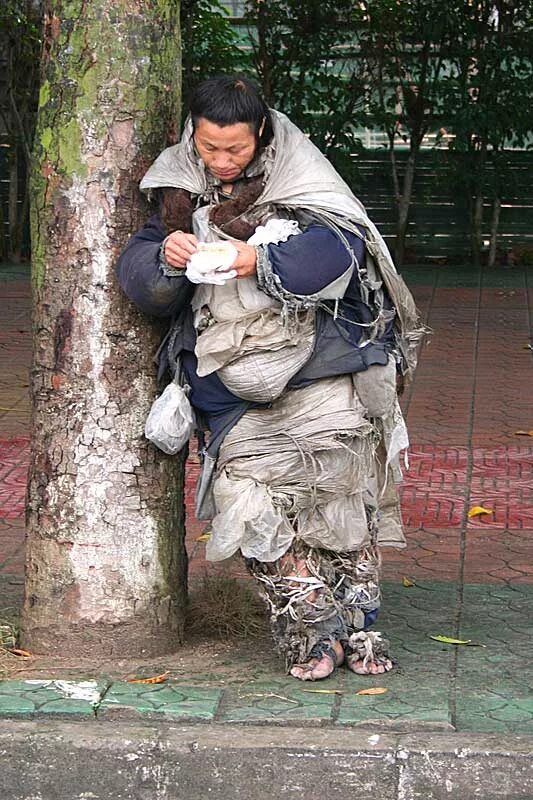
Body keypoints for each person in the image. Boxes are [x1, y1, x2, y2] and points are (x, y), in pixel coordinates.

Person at [116, 76, 422, 681]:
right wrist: (167, 255)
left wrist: (260, 259)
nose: (222, 162)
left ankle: (359, 629)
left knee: (341, 497)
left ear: (260, 133)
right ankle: (313, 627)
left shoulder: (303, 177)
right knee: (246, 501)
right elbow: (144, 285)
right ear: (193, 134)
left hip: (324, 372)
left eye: (235, 149)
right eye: (209, 148)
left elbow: (343, 250)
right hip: (230, 386)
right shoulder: (177, 187)